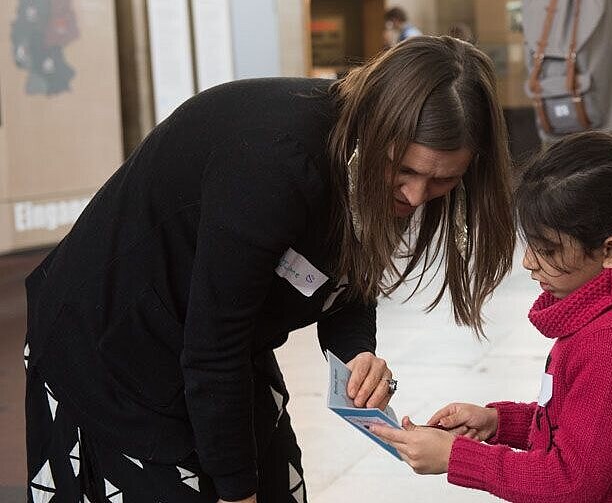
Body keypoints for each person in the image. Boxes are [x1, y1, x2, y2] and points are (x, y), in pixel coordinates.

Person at [23, 36, 516, 503]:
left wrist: (355, 351)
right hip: (111, 342)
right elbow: (215, 348)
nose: (413, 197)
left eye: (441, 181)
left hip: (214, 346)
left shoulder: (362, 159)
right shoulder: (278, 162)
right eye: (402, 170)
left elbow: (344, 267)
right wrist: (237, 491)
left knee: (266, 472)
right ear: (375, 127)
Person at [371, 131, 612, 502]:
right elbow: (579, 426)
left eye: (547, 249)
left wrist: (456, 457)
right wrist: (498, 422)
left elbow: (571, 482)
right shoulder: (604, 319)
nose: (528, 262)